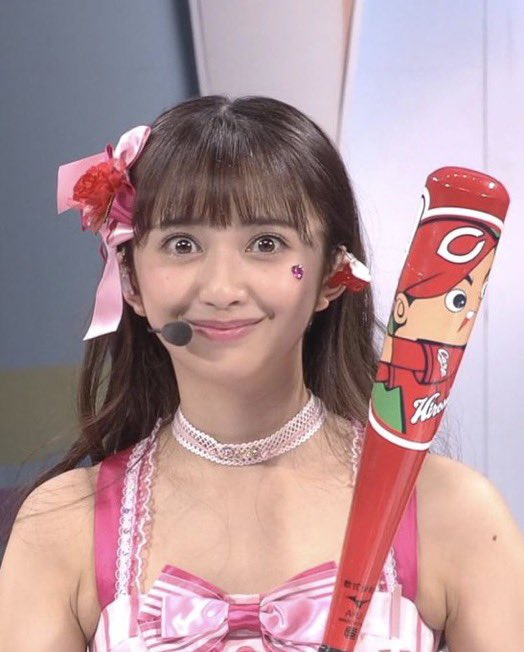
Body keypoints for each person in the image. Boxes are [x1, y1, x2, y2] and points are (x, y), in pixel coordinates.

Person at [0, 96, 522, 651]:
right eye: (182, 244)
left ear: (332, 275)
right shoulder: (64, 526)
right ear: (130, 280)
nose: (222, 289)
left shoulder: (451, 511)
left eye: (266, 244)